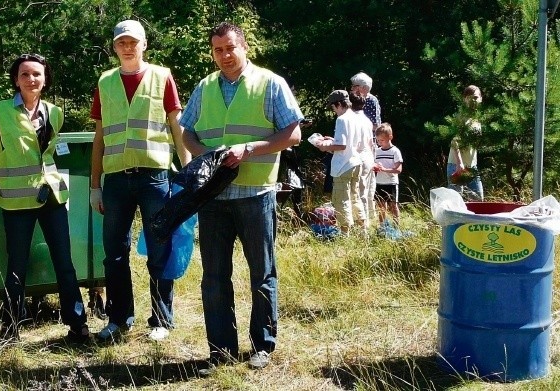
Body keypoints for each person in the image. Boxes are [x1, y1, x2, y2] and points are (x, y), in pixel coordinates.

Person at [180, 21, 302, 372]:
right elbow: (187, 133)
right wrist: (206, 156)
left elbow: (292, 134)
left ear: (244, 47)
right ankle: (220, 351)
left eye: (230, 48)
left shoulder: (270, 83)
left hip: (255, 193)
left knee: (261, 272)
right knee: (214, 275)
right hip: (214, 197)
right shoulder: (204, 88)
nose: (225, 55)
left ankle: (262, 345)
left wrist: (250, 149)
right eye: (218, 50)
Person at [89, 20, 190, 342]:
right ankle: (119, 320)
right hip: (116, 180)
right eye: (121, 42)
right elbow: (100, 136)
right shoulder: (105, 82)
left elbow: (177, 127)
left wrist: (188, 177)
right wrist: (94, 185)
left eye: (133, 41)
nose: (127, 47)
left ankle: (161, 319)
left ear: (144, 44)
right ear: (115, 47)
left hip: (155, 178)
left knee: (160, 248)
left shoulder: (162, 77)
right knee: (114, 254)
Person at [0, 53, 89, 342]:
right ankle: (10, 330)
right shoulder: (1, 110)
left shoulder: (55, 112)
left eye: (37, 74)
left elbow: (49, 153)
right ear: (16, 80)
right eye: (25, 74)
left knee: (64, 261)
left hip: (51, 196)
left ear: (45, 79)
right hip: (16, 201)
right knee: (17, 264)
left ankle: (78, 326)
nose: (31, 79)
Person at [314, 90, 367, 234]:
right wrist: (332, 140)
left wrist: (324, 146)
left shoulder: (342, 119)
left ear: (339, 104)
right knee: (355, 198)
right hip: (356, 162)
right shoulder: (356, 117)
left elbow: (342, 145)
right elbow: (353, 143)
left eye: (333, 107)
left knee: (341, 200)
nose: (333, 110)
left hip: (343, 165)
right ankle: (363, 230)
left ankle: (345, 234)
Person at [350, 72, 380, 221]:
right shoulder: (350, 101)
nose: (351, 89)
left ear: (363, 88)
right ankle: (360, 214)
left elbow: (377, 125)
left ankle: (366, 215)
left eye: (354, 86)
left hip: (367, 145)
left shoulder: (372, 101)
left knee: (367, 181)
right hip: (355, 144)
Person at [446, 85, 484, 201]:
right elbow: (455, 141)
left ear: (481, 99)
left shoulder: (477, 119)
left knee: (478, 200)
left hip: (472, 166)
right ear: (465, 100)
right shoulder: (461, 117)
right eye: (470, 98)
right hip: (457, 166)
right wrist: (459, 164)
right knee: (456, 203)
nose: (473, 100)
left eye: (476, 97)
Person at [348, 92, 375, 227]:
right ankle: (363, 222)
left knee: (358, 193)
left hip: (359, 157)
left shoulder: (352, 119)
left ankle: (362, 226)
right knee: (364, 192)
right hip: (368, 156)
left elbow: (352, 142)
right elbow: (370, 142)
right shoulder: (367, 120)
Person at [373, 123, 403, 226]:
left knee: (393, 206)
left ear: (390, 137)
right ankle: (382, 227)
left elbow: (398, 170)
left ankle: (396, 226)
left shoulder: (395, 151)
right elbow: (374, 164)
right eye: (378, 140)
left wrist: (385, 169)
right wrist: (375, 167)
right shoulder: (377, 151)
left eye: (382, 140)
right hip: (379, 182)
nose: (380, 143)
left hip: (391, 183)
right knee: (381, 206)